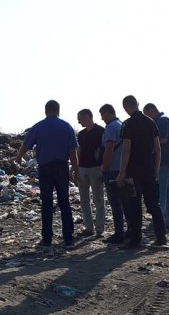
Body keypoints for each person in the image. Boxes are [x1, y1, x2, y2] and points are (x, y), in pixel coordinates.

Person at [15, 100, 79, 247]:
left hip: (45, 168)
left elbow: (26, 145)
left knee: (47, 203)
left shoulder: (38, 126)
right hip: (62, 167)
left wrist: (18, 157)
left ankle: (47, 237)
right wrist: (75, 170)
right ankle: (68, 236)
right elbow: (72, 151)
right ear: (58, 110)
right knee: (64, 201)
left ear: (45, 111)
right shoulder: (66, 126)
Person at [116, 95, 167, 249]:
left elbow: (126, 151)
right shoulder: (151, 122)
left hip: (133, 172)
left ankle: (136, 240)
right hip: (149, 170)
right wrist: (156, 171)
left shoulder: (127, 124)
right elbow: (157, 150)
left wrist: (121, 173)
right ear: (137, 104)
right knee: (153, 204)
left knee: (134, 205)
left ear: (125, 107)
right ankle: (161, 236)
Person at [143, 103, 169, 231]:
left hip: (163, 161)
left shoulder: (162, 121)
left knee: (161, 192)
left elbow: (162, 140)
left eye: (147, 114)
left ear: (152, 110)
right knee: (168, 191)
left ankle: (159, 221)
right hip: (167, 161)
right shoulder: (164, 120)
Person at [99, 104, 128, 244]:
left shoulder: (111, 128)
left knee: (115, 203)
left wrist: (104, 168)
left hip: (112, 169)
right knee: (125, 202)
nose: (102, 118)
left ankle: (119, 233)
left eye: (103, 115)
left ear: (108, 113)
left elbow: (109, 150)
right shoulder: (122, 125)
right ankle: (128, 231)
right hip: (123, 168)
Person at [76, 109, 105, 237]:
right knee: (84, 200)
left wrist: (103, 167)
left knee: (98, 199)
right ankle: (89, 228)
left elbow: (105, 149)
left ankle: (99, 229)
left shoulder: (100, 131)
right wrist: (75, 168)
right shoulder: (81, 134)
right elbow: (79, 151)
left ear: (87, 117)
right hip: (82, 168)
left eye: (80, 118)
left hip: (96, 168)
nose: (78, 121)